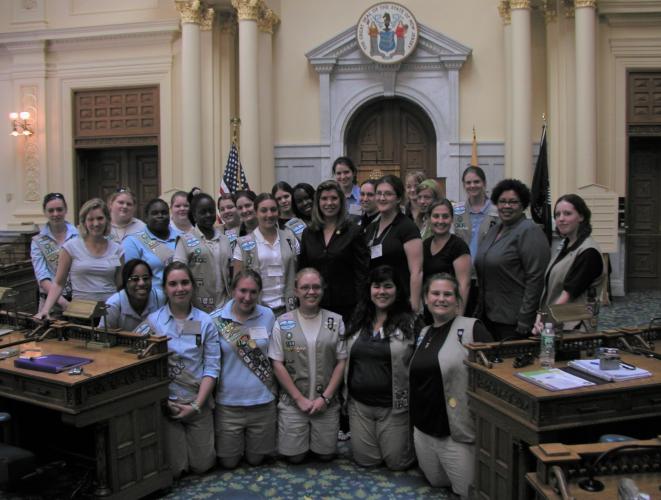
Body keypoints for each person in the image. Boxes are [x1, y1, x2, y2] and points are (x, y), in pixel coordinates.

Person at [410, 273, 493, 499]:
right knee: (435, 482)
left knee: (465, 491)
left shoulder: (472, 328)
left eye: (448, 294)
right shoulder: (424, 332)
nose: (441, 299)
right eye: (435, 293)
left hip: (455, 432)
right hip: (424, 430)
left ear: (458, 300)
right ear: (426, 299)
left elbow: (493, 374)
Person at [135, 261, 219, 479]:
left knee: (203, 466)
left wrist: (197, 406)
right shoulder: (153, 323)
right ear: (164, 288)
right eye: (173, 284)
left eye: (184, 282)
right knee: (176, 469)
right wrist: (164, 401)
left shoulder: (206, 321)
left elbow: (211, 367)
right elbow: (140, 365)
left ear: (192, 285)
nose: (179, 288)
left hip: (197, 401)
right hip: (167, 405)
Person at [269, 268, 347, 463]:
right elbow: (277, 363)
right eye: (305, 287)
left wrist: (326, 398)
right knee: (295, 458)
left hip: (326, 403)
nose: (311, 292)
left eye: (315, 287)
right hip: (294, 403)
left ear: (322, 290)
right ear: (296, 291)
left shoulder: (335, 321)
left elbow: (341, 361)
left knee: (326, 456)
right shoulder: (282, 322)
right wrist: (299, 399)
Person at [344, 265, 417, 470]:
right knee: (367, 461)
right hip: (360, 406)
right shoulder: (358, 319)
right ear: (369, 289)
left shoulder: (411, 323)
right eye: (376, 286)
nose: (382, 292)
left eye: (388, 286)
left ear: (397, 290)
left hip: (393, 406)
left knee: (397, 463)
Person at [209, 270, 277, 469]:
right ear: (232, 290)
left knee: (256, 460)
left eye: (253, 292)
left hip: (262, 401)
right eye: (242, 291)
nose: (247, 297)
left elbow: (275, 357)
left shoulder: (268, 315)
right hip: (229, 404)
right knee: (229, 463)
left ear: (259, 293)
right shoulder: (216, 319)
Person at [474, 179, 551, 339]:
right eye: (502, 201)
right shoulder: (494, 229)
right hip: (488, 316)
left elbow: (535, 279)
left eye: (513, 202)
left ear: (523, 204)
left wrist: (525, 319)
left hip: (514, 321)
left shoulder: (530, 231)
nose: (506, 206)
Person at [37, 198, 123, 318]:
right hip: (80, 313)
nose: (96, 224)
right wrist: (45, 309)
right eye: (90, 219)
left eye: (100, 218)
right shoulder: (71, 247)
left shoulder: (117, 249)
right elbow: (58, 283)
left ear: (107, 220)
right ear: (84, 222)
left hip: (110, 311)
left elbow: (120, 285)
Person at [298, 180, 369, 325]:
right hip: (315, 305)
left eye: (334, 198)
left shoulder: (354, 232)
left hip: (348, 308)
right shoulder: (308, 233)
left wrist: (361, 307)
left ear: (341, 201)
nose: (329, 203)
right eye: (324, 199)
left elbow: (362, 273)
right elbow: (302, 269)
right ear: (318, 202)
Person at [534, 194, 606, 333]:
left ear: (581, 217)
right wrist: (541, 317)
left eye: (567, 213)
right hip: (556, 325)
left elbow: (567, 295)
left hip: (575, 329)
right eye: (557, 214)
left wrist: (543, 321)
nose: (561, 219)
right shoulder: (564, 245)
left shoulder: (588, 252)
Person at [233, 193, 299, 316]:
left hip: (288, 309)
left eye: (273, 210)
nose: (269, 214)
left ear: (278, 212)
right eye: (264, 210)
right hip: (257, 310)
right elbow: (237, 281)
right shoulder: (243, 244)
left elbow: (299, 271)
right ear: (256, 212)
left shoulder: (290, 238)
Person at [365, 175, 423, 312]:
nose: (382, 198)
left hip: (400, 301)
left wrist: (413, 306)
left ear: (398, 198)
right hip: (376, 300)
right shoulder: (371, 228)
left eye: (388, 194)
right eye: (378, 193)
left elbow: (417, 271)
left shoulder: (407, 227)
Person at [174, 193, 232, 313]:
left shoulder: (225, 239)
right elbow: (178, 275)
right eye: (203, 212)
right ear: (194, 216)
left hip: (224, 307)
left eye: (211, 211)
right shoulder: (185, 241)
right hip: (196, 309)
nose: (208, 215)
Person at [453, 166, 500, 316]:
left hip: (488, 277)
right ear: (464, 185)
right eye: (468, 182)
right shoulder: (457, 211)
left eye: (476, 181)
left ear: (484, 183)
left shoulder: (497, 211)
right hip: (462, 275)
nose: (472, 186)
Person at [31, 193, 79, 314]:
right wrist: (62, 302)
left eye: (59, 209)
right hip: (51, 304)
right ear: (45, 212)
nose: (55, 214)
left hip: (79, 300)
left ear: (66, 209)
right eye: (51, 210)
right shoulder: (38, 241)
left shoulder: (79, 235)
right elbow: (42, 276)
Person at [422, 200, 471, 310]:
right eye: (436, 216)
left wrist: (458, 316)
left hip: (450, 311)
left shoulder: (459, 246)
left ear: (452, 219)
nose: (440, 221)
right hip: (430, 310)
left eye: (445, 216)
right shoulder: (425, 245)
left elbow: (464, 285)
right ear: (429, 219)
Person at [123, 198, 178, 289]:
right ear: (146, 217)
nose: (160, 216)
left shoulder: (181, 238)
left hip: (180, 294)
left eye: (164, 213)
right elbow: (131, 278)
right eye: (155, 213)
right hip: (151, 298)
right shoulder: (133, 241)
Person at [100, 259, 164, 331]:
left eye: (146, 278)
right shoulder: (113, 305)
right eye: (135, 279)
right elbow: (102, 335)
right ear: (126, 282)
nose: (141, 283)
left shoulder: (160, 298)